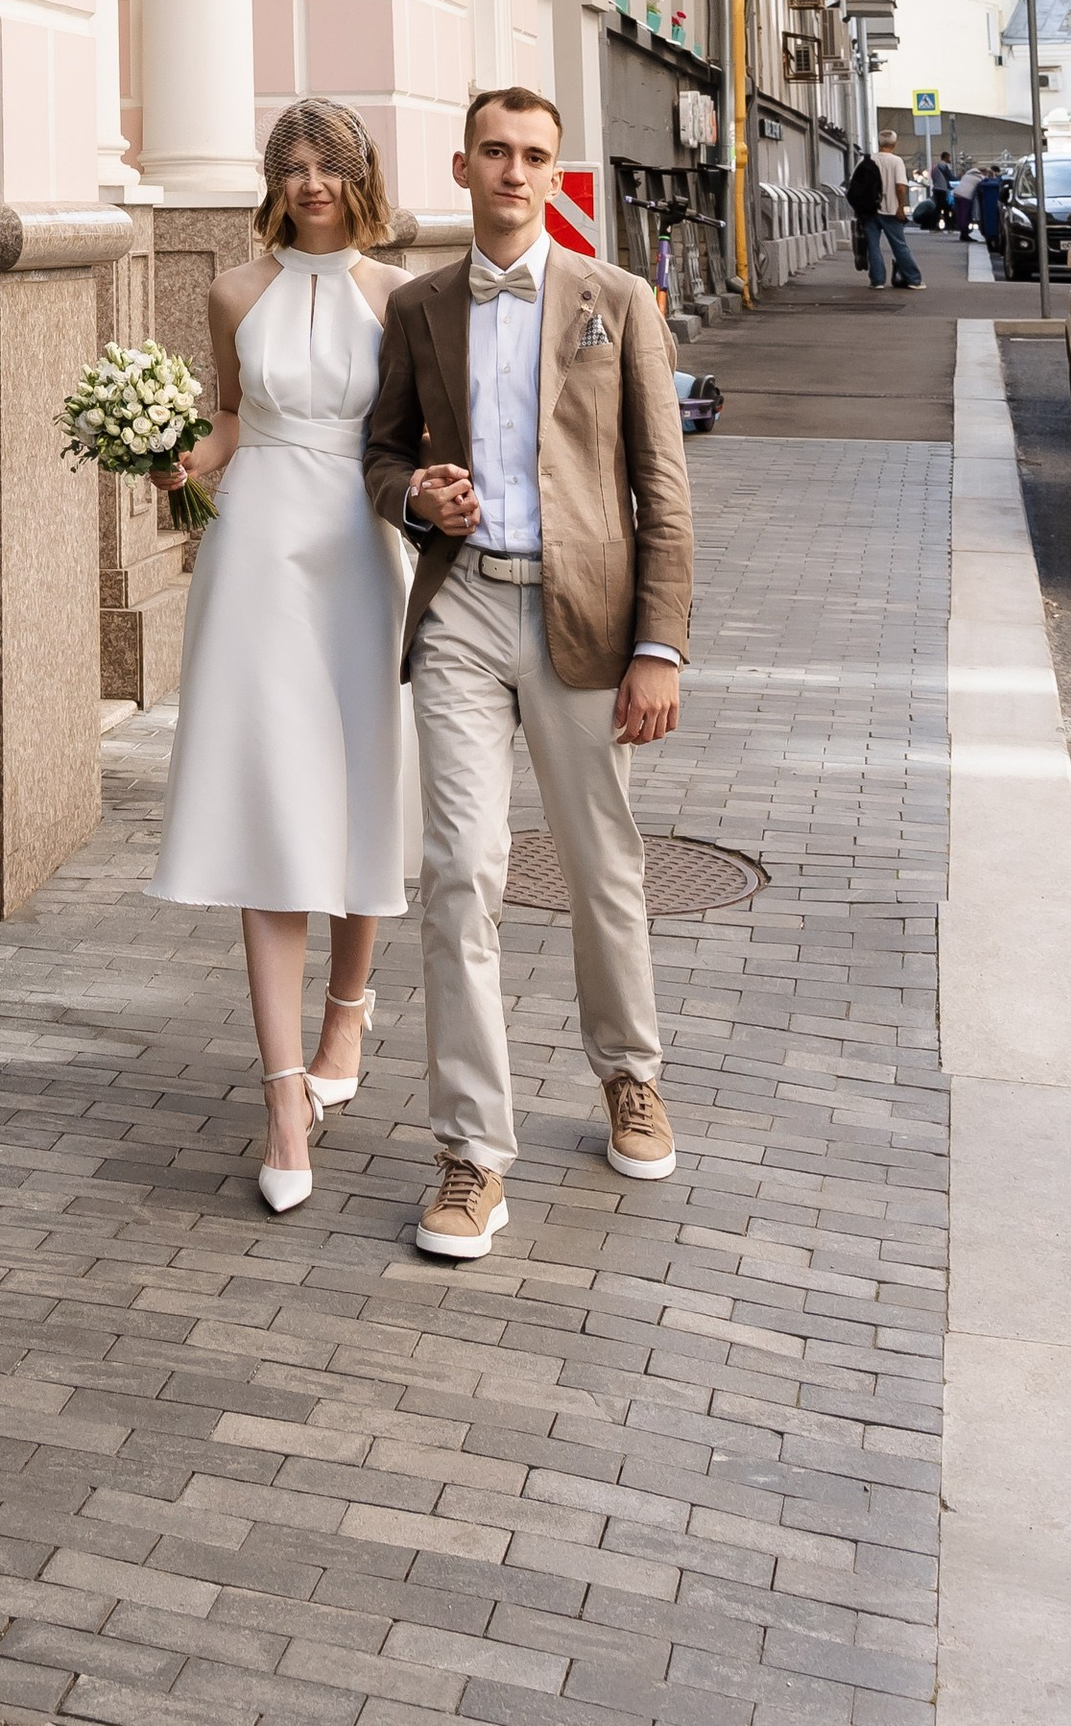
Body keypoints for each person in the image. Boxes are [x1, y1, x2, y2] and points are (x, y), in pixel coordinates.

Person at [364, 85, 694, 1262]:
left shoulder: (617, 300)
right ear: (460, 169)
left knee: (601, 865)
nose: (514, 172)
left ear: (556, 175)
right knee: (459, 869)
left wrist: (656, 646)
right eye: (494, 153)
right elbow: (383, 449)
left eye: (534, 156)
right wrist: (413, 495)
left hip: (583, 620)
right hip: (459, 606)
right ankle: (470, 1154)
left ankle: (628, 1075)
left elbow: (662, 483)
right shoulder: (415, 306)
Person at [148, 100, 410, 1216]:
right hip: (254, 546)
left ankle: (347, 1011)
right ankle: (280, 1100)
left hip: (356, 544)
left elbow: (411, 437)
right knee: (268, 801)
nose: (309, 182)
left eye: (328, 165)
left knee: (356, 784)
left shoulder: (399, 297)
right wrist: (170, 463)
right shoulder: (231, 292)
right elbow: (229, 419)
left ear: (359, 177)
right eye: (291, 166)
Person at [873, 136, 922, 290]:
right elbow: (900, 186)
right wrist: (900, 208)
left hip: (869, 211)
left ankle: (877, 281)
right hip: (891, 210)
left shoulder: (867, 160)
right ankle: (913, 280)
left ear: (879, 143)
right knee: (899, 245)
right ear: (894, 144)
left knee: (873, 246)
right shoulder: (896, 161)